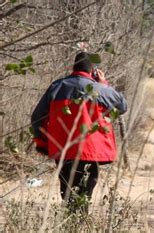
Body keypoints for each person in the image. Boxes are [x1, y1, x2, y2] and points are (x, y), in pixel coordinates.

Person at [31, 52, 127, 212]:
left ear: (73, 67)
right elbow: (122, 106)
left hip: (64, 151)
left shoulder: (57, 87)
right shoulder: (99, 89)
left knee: (68, 196)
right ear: (92, 71)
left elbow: (37, 117)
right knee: (84, 196)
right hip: (91, 153)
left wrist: (42, 143)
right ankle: (78, 226)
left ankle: (71, 226)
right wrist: (104, 83)